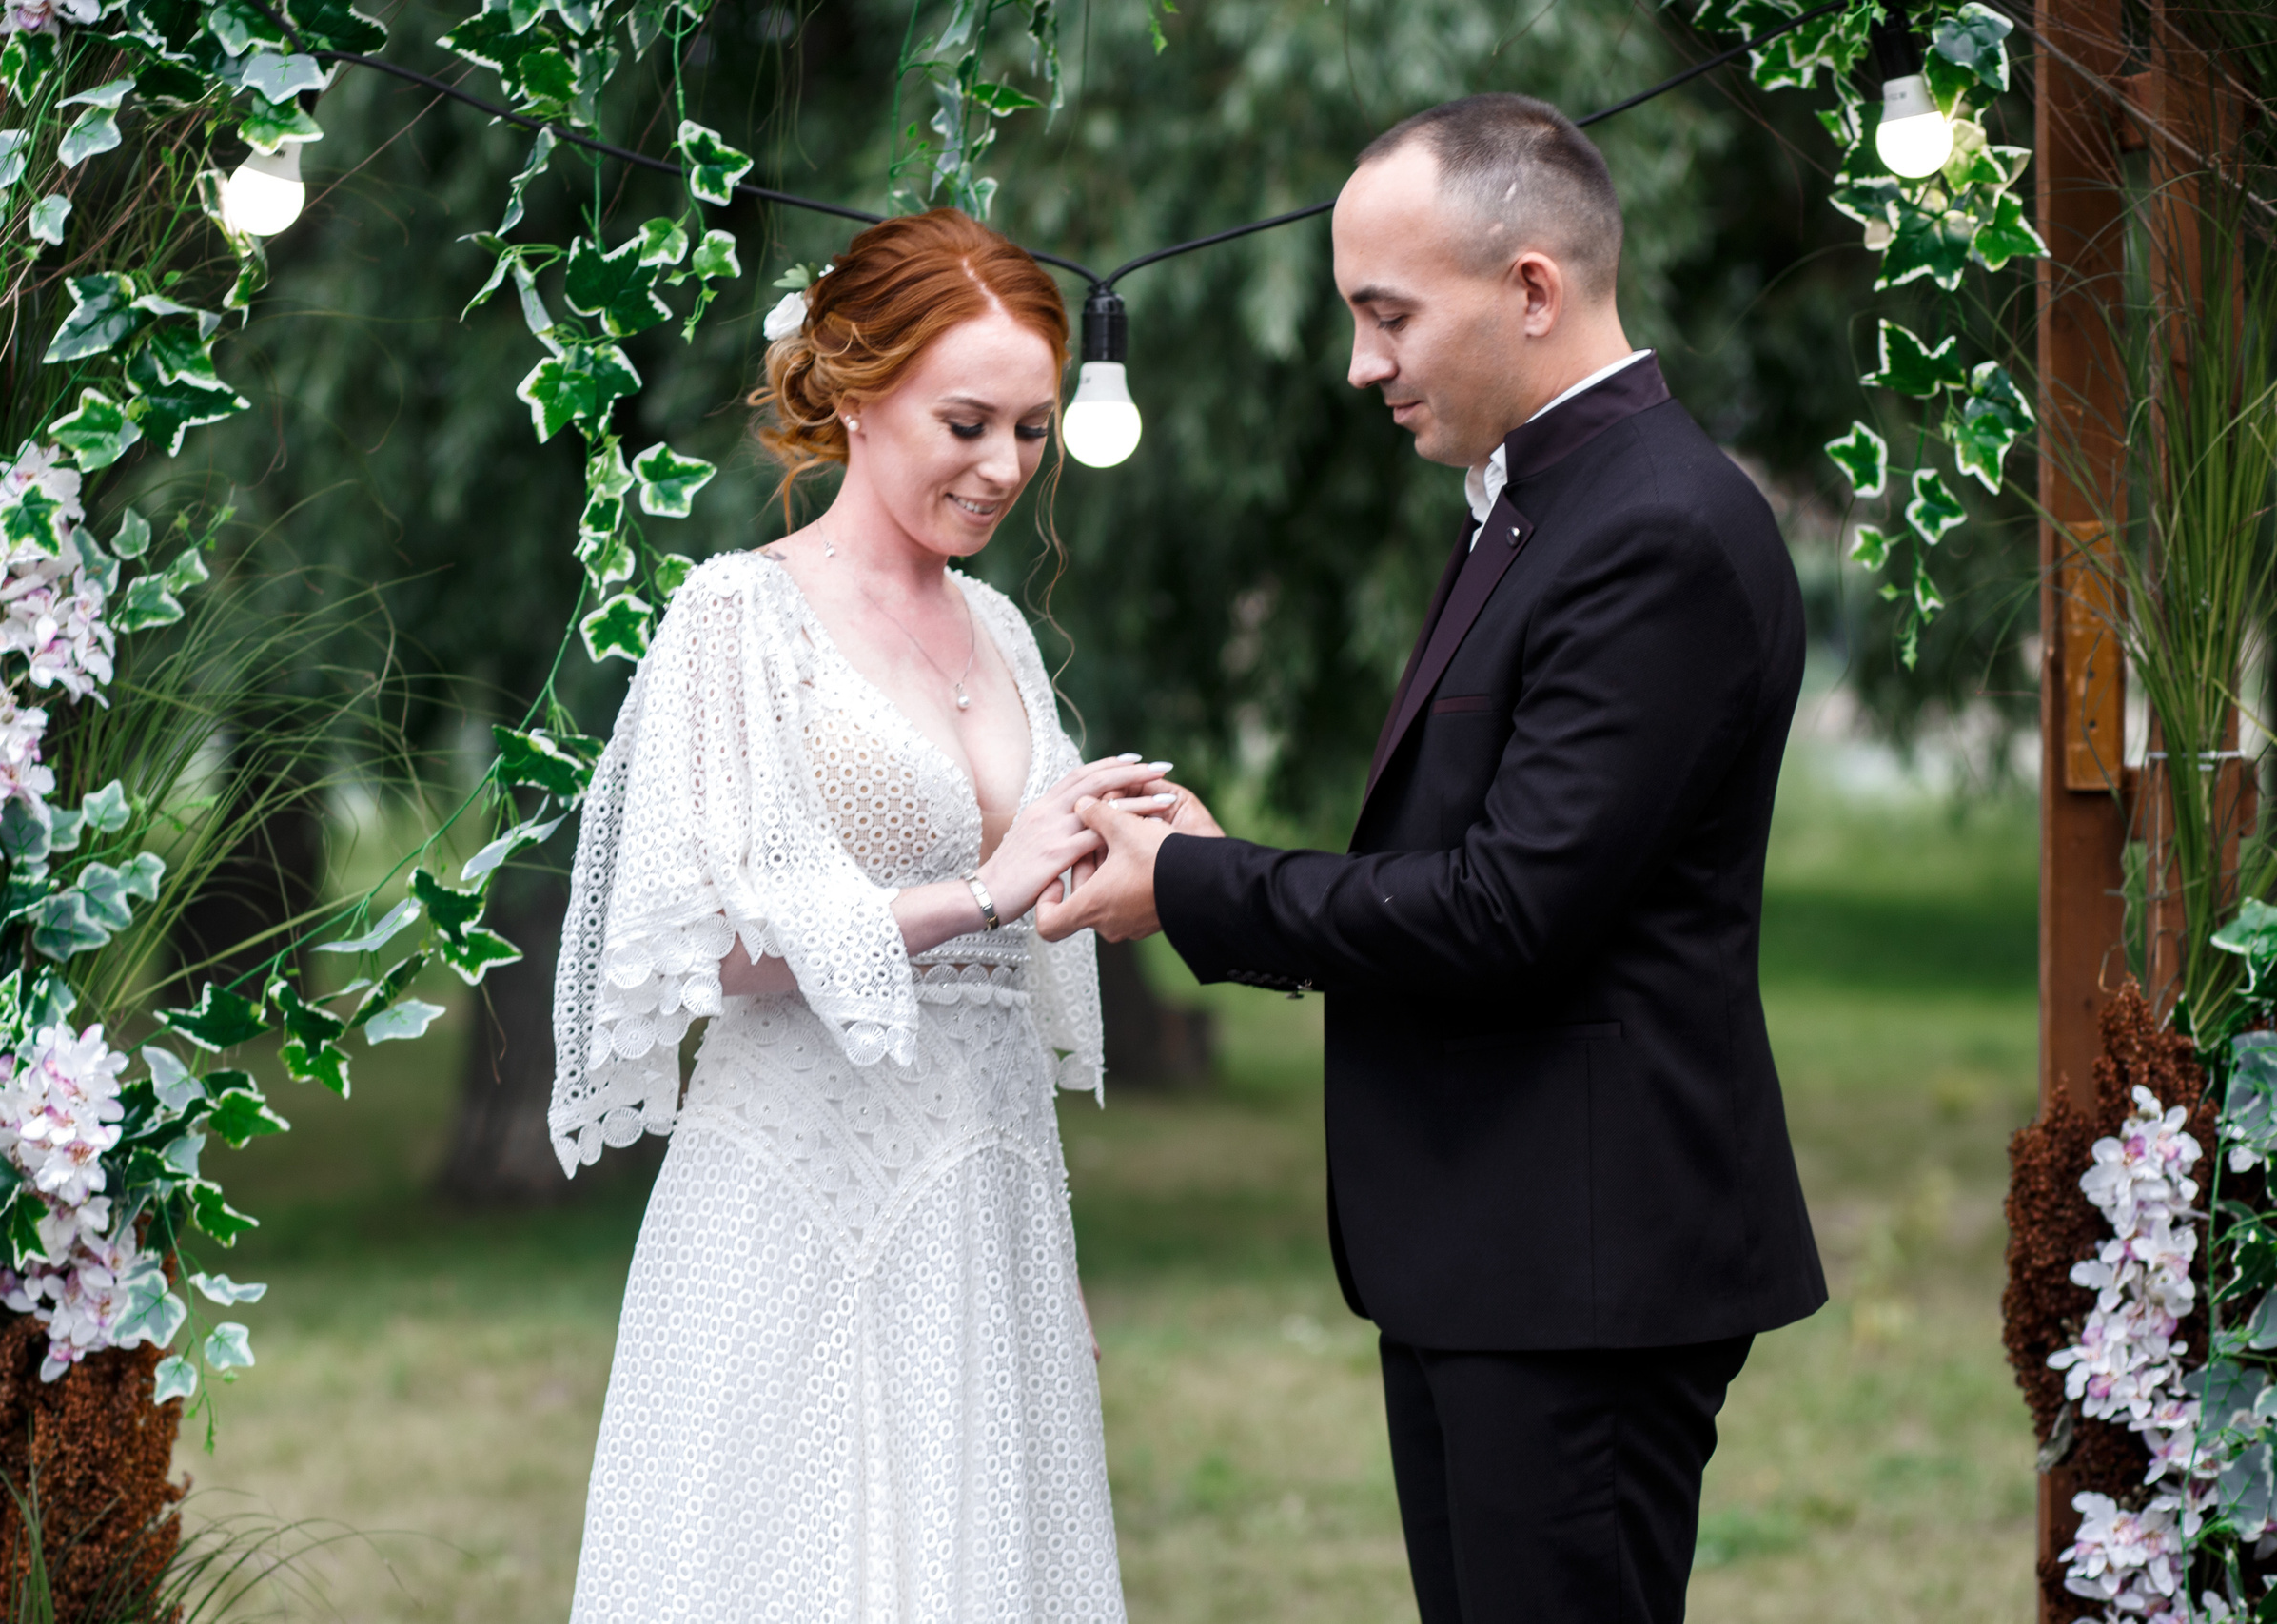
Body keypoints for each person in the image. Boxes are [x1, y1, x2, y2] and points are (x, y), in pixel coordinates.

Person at [1037, 94, 1827, 1623]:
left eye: (1386, 315)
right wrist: (1215, 870)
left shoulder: (1652, 529)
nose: (1360, 365)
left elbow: (1508, 909)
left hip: (1581, 1270)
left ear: (1531, 289)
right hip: (1501, 1252)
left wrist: (1196, 888)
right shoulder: (1539, 510)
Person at [551, 208, 1158, 1623]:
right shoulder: (735, 621)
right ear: (856, 388)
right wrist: (992, 887)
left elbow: (1030, 910)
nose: (1005, 467)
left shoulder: (1002, 629)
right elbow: (725, 946)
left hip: (991, 1192)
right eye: (967, 422)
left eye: (1031, 430)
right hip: (798, 1195)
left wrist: (1123, 862)